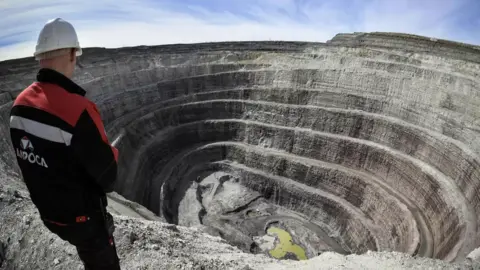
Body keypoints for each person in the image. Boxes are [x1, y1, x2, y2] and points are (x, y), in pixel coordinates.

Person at [8, 18, 121, 270]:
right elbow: (109, 178)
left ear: (40, 57)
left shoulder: (19, 106)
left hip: (50, 217)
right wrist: (112, 152)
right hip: (85, 223)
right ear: (72, 53)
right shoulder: (78, 110)